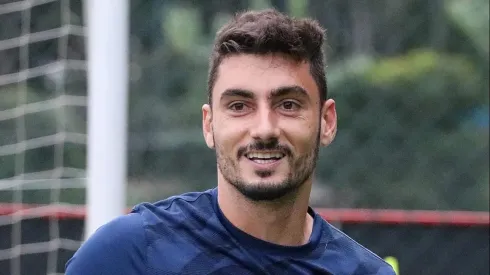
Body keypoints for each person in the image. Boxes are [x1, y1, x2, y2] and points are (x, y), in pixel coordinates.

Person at [66, 9, 395, 275]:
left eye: (288, 105)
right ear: (209, 125)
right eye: (239, 106)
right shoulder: (129, 254)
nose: (264, 129)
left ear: (327, 121)